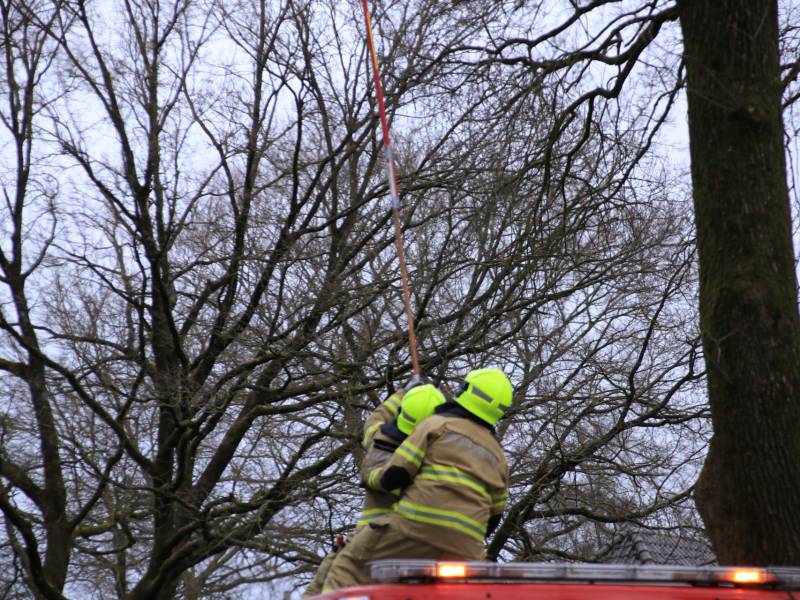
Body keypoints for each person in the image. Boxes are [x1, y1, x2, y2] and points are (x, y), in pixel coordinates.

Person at [321, 368, 512, 593]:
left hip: (413, 528)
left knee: (348, 565)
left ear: (465, 391)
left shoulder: (436, 425)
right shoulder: (499, 456)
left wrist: (372, 478)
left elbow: (396, 475)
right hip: (466, 546)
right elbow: (494, 518)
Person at [302, 379, 445, 597]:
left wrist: (402, 392)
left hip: (366, 537)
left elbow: (375, 419)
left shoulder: (378, 438)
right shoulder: (430, 458)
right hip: (409, 542)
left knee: (326, 584)